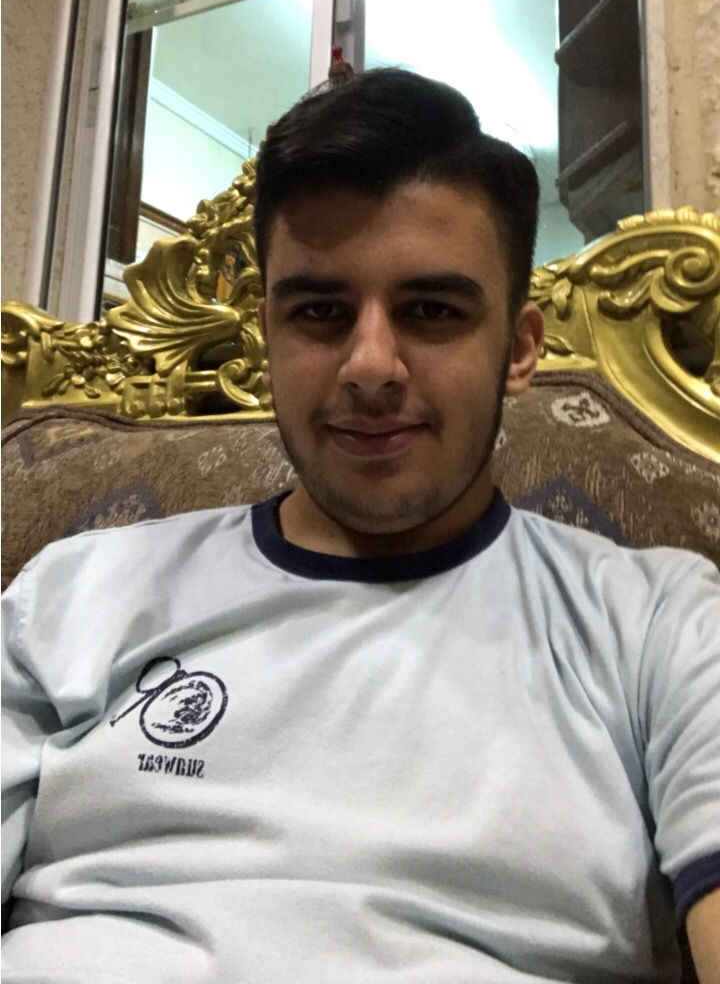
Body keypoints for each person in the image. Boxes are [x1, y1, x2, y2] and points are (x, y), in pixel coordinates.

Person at [2, 68, 719, 984]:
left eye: (431, 311)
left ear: (521, 348)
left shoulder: (660, 626)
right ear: (268, 335)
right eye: (320, 312)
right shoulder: (70, 594)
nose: (370, 365)